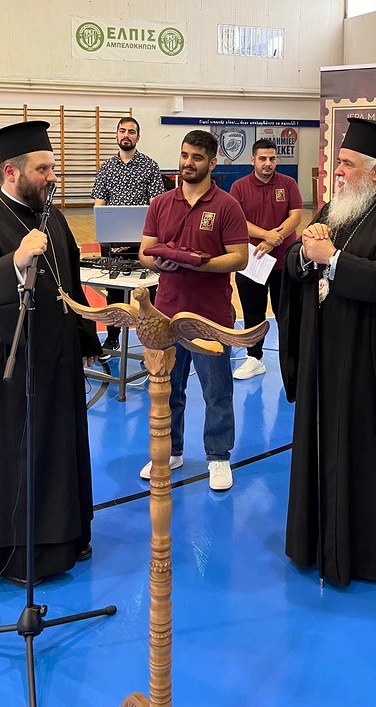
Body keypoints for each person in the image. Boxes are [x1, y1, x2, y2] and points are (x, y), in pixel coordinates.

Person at [279, 116, 376, 586]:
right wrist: (305, 253)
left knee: (364, 457)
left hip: (369, 365)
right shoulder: (335, 208)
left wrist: (334, 261)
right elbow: (297, 261)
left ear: (375, 171)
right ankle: (318, 538)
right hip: (324, 359)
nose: (338, 173)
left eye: (346, 165)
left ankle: (367, 550)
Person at [0, 120, 101, 585]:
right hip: (7, 372)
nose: (53, 177)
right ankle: (12, 555)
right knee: (15, 456)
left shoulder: (54, 219)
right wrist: (13, 262)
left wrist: (85, 338)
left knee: (59, 450)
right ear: (11, 172)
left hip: (58, 364)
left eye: (53, 167)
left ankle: (64, 540)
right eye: (43, 169)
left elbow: (70, 282)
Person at [138, 130, 248, 491]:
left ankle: (218, 456)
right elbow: (145, 251)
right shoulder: (160, 203)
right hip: (166, 315)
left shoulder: (227, 206)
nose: (188, 162)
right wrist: (160, 263)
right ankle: (172, 451)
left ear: (212, 163)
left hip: (210, 317)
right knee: (170, 388)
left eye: (197, 157)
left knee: (217, 391)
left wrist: (198, 263)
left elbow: (239, 258)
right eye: (185, 155)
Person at [92, 116, 165, 357]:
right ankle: (112, 338)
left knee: (150, 293)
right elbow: (99, 206)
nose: (126, 135)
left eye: (131, 131)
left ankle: (152, 343)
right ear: (116, 135)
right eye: (122, 131)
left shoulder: (150, 166)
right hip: (112, 243)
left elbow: (155, 207)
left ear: (138, 137)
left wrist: (143, 238)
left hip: (144, 242)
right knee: (114, 293)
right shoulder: (106, 168)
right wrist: (108, 238)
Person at [229, 139, 303, 379]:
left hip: (285, 261)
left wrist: (273, 240)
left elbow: (296, 216)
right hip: (252, 260)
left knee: (287, 314)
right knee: (253, 312)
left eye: (272, 158)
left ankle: (293, 362)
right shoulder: (239, 187)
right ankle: (254, 358)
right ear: (253, 160)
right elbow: (238, 221)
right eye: (262, 158)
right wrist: (266, 235)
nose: (267, 163)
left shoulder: (288, 183)